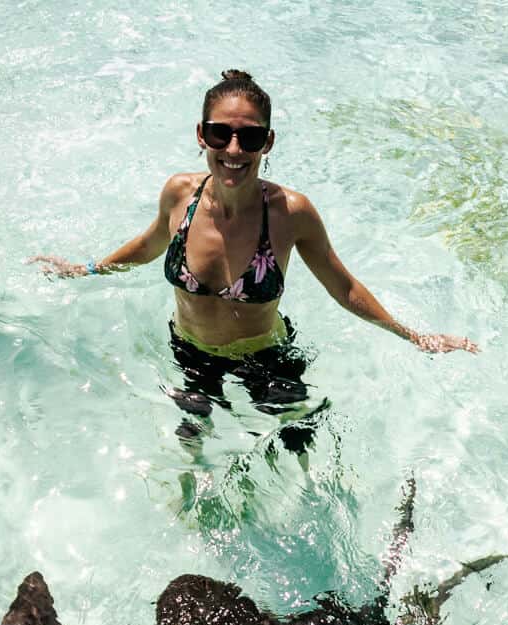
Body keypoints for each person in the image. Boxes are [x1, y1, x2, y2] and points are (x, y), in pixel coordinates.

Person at [31, 70, 478, 455]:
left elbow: (343, 287)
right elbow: (148, 245)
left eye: (251, 137)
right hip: (191, 353)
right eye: (220, 133)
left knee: (297, 448)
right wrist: (85, 270)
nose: (234, 149)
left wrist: (414, 336)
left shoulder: (290, 213)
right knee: (191, 447)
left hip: (266, 359)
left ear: (268, 142)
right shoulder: (179, 195)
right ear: (201, 135)